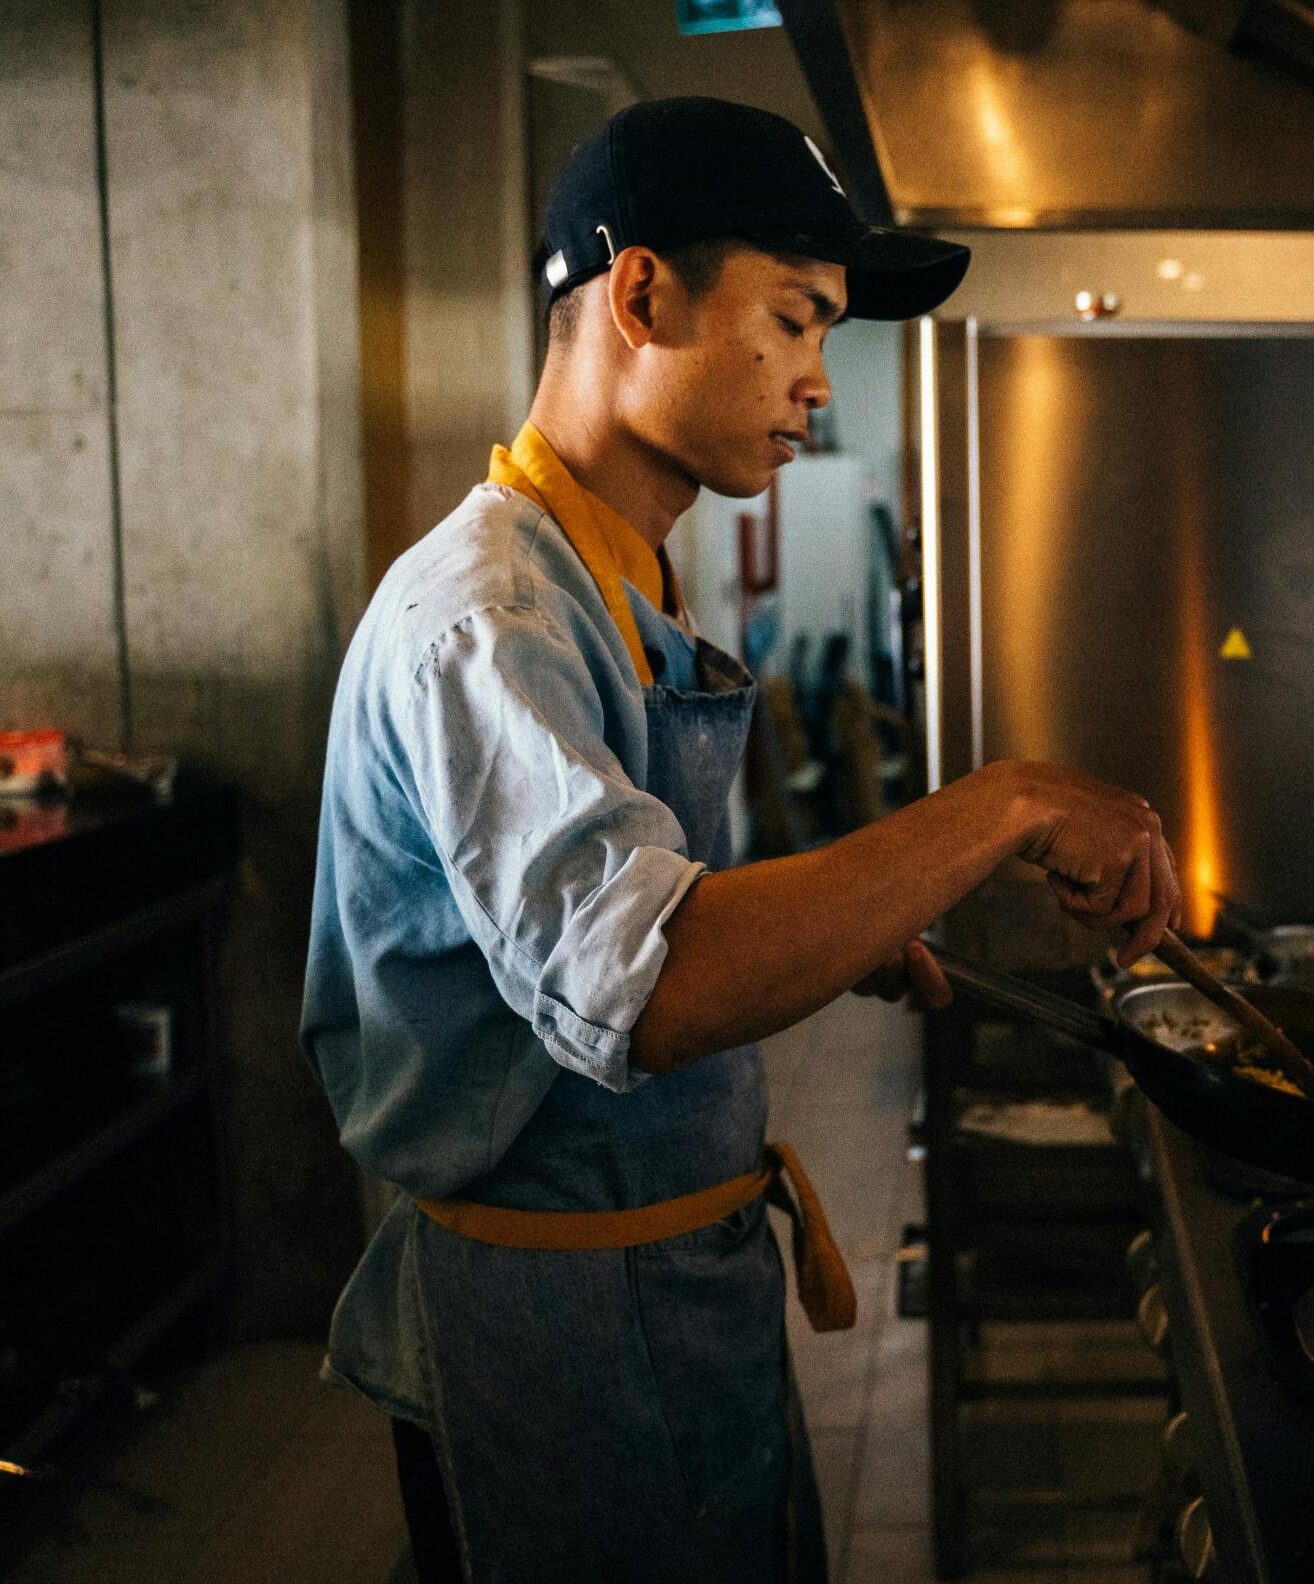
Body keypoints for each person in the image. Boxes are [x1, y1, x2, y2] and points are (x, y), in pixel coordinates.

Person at [300, 98, 1182, 1584]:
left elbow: (639, 899)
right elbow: (648, 983)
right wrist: (1006, 799)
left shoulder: (610, 568)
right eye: (794, 321)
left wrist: (832, 931)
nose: (815, 385)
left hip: (660, 1288)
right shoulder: (490, 615)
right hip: (557, 1335)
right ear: (640, 295)